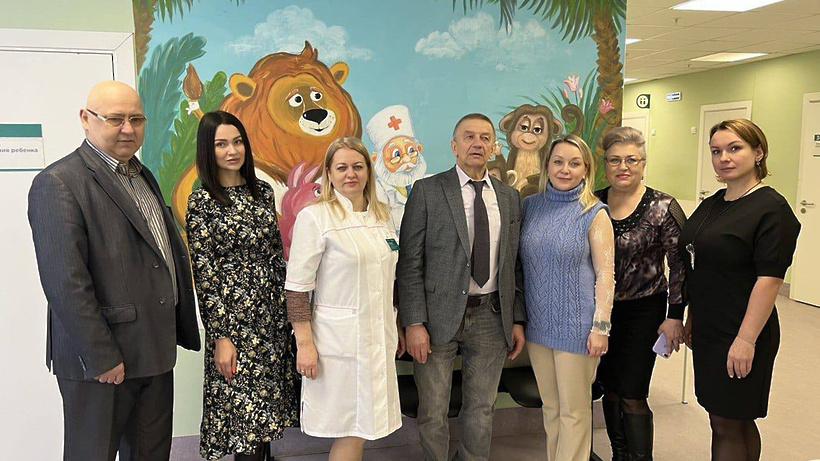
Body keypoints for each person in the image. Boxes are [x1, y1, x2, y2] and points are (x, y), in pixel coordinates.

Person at [27, 81, 201, 461]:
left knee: (151, 454)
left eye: (136, 119)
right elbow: (65, 283)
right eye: (115, 119)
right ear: (85, 119)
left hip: (153, 352)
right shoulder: (58, 183)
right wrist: (101, 355)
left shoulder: (142, 174)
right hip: (101, 361)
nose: (128, 129)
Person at [398, 113, 527, 461]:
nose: (477, 143)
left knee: (481, 408)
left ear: (494, 147)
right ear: (454, 146)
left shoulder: (510, 197)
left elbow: (514, 264)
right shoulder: (427, 191)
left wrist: (517, 319)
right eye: (469, 137)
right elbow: (410, 262)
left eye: (485, 137)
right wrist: (413, 322)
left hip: (491, 317)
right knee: (433, 409)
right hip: (436, 317)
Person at [679, 119, 800, 461]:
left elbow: (769, 280)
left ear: (758, 152)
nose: (724, 158)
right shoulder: (714, 202)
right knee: (729, 417)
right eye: (716, 151)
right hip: (710, 327)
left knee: (727, 422)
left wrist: (745, 340)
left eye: (735, 148)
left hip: (744, 329)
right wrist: (692, 317)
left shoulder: (771, 208)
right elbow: (701, 265)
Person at [186, 111, 299, 460]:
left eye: (237, 142)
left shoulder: (261, 191)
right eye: (221, 144)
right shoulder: (202, 201)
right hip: (234, 325)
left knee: (265, 417)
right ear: (208, 150)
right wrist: (221, 336)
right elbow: (205, 275)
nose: (232, 151)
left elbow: (274, 254)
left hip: (271, 321)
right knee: (244, 422)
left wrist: (289, 316)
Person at [285, 136, 405, 461]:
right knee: (352, 429)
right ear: (329, 173)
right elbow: (297, 289)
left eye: (357, 166)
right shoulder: (316, 217)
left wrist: (396, 326)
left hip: (377, 339)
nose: (350, 174)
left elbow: (388, 280)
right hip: (337, 344)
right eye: (341, 168)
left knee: (363, 429)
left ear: (368, 171)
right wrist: (304, 345)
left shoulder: (383, 216)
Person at [594, 127, 688, 461]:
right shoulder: (593, 202)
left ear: (643, 163)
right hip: (600, 314)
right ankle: (619, 455)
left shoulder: (663, 206)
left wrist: (675, 317)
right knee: (609, 388)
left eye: (632, 160)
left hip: (644, 312)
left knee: (633, 392)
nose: (623, 166)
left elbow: (680, 265)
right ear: (605, 165)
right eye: (615, 160)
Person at [519, 134, 614, 461]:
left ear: (586, 169)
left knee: (574, 413)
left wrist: (601, 328)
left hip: (578, 329)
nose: (565, 169)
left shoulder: (594, 213)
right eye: (558, 162)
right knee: (551, 409)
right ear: (547, 165)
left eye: (574, 163)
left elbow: (606, 275)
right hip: (538, 327)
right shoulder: (530, 207)